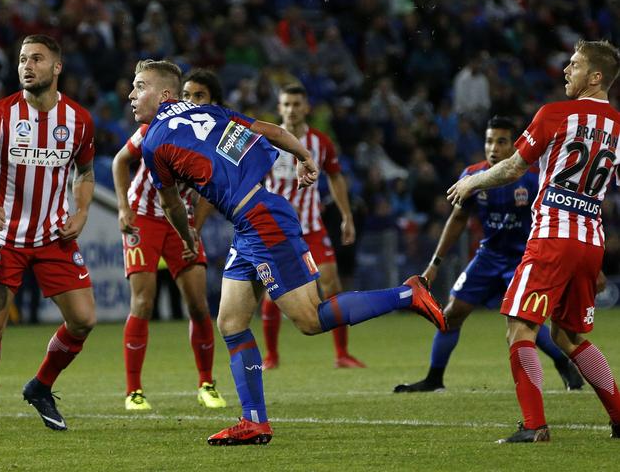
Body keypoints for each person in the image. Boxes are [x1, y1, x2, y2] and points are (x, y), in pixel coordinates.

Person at [130, 59, 446, 446]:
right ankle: (254, 421)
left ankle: (407, 293)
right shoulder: (208, 111)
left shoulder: (154, 141)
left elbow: (173, 205)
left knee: (311, 319)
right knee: (230, 321)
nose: (131, 94)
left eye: (139, 86)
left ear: (164, 95)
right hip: (251, 223)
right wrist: (304, 157)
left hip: (262, 223)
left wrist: (187, 237)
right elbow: (273, 131)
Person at [448, 39, 620, 443]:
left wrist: (470, 182)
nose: (566, 70)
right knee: (569, 335)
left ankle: (534, 425)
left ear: (595, 77)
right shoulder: (618, 126)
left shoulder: (555, 114)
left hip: (552, 237)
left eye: (575, 65)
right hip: (590, 240)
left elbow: (511, 168)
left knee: (520, 328)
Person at [394, 116, 583, 393]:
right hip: (488, 256)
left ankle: (563, 363)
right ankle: (434, 378)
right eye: (489, 141)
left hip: (524, 258)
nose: (493, 147)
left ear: (515, 145)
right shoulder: (473, 176)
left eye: (501, 141)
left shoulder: (532, 178)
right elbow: (457, 219)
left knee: (524, 320)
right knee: (452, 313)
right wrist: (435, 263)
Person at [0, 34, 96, 432]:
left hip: (54, 237)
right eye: (23, 58)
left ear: (56, 68)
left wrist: (82, 212)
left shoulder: (78, 120)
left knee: (84, 320)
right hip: (5, 239)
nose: (27, 65)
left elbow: (86, 172)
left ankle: (40, 386)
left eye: (37, 59)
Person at [112, 67, 226, 411]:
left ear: (213, 103)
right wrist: (122, 208)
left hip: (182, 222)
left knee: (198, 304)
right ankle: (134, 390)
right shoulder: (154, 126)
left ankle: (206, 383)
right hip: (144, 218)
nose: (190, 101)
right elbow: (120, 161)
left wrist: (196, 226)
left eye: (199, 96)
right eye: (186, 94)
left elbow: (210, 189)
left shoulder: (211, 137)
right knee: (143, 303)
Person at [261, 84, 364, 369]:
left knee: (332, 284)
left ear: (306, 108)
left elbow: (336, 177)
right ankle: (272, 356)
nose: (292, 109)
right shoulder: (266, 141)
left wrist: (346, 216)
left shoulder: (320, 142)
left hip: (312, 228)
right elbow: (255, 181)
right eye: (287, 104)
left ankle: (342, 354)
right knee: (275, 292)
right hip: (277, 231)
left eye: (297, 104)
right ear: (280, 108)